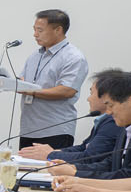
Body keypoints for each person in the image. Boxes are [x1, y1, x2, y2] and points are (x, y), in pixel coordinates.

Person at [45, 71, 131, 181]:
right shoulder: (129, 121)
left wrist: (76, 174)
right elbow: (112, 163)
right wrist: (73, 167)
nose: (108, 112)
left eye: (111, 105)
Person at [14, 8, 89, 150]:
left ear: (58, 30)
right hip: (28, 128)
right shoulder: (35, 55)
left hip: (55, 130)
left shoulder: (73, 57)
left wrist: (30, 91)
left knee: (49, 165)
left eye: (40, 30)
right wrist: (14, 83)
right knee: (23, 165)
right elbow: (25, 80)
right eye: (34, 29)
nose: (35, 34)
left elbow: (67, 91)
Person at [21, 69, 123, 162]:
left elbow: (90, 157)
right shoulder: (104, 120)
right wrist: (54, 152)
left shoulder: (112, 122)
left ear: (106, 97)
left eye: (91, 93)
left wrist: (51, 154)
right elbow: (83, 147)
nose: (88, 99)